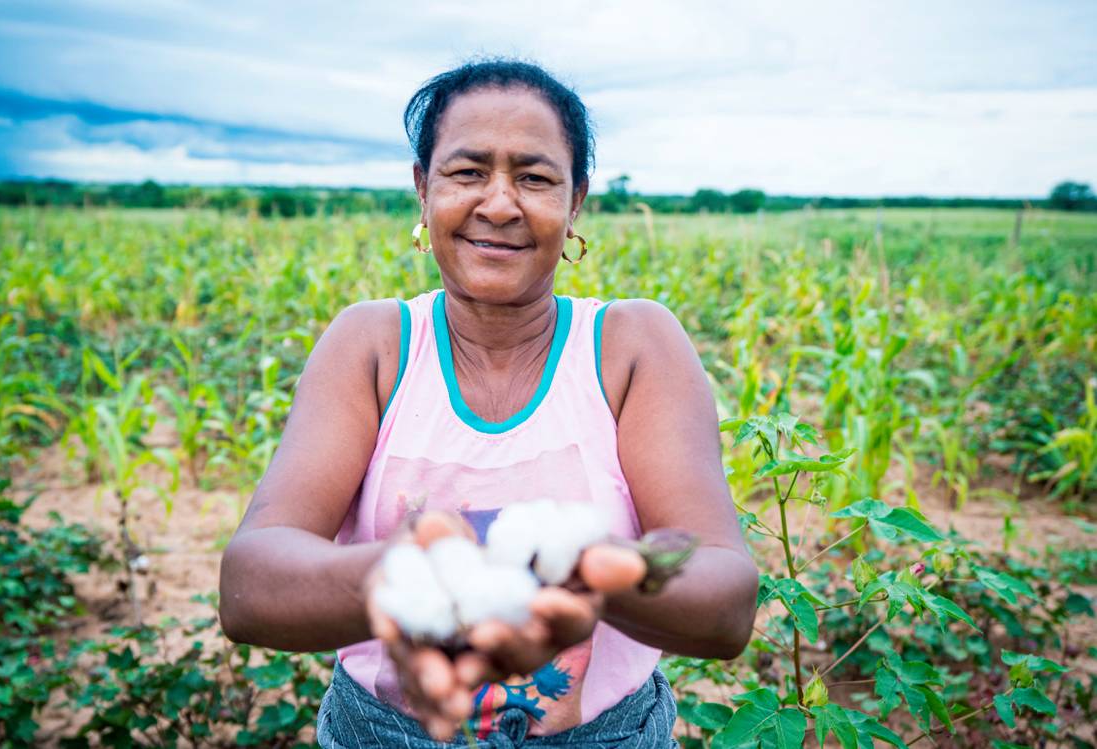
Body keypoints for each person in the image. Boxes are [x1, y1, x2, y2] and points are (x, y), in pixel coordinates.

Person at [218, 58, 759, 748]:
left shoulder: (631, 347)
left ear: (577, 200)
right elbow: (250, 584)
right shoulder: (375, 346)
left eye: (534, 177)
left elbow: (725, 603)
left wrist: (588, 568)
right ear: (422, 189)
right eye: (467, 171)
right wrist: (413, 575)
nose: (499, 204)